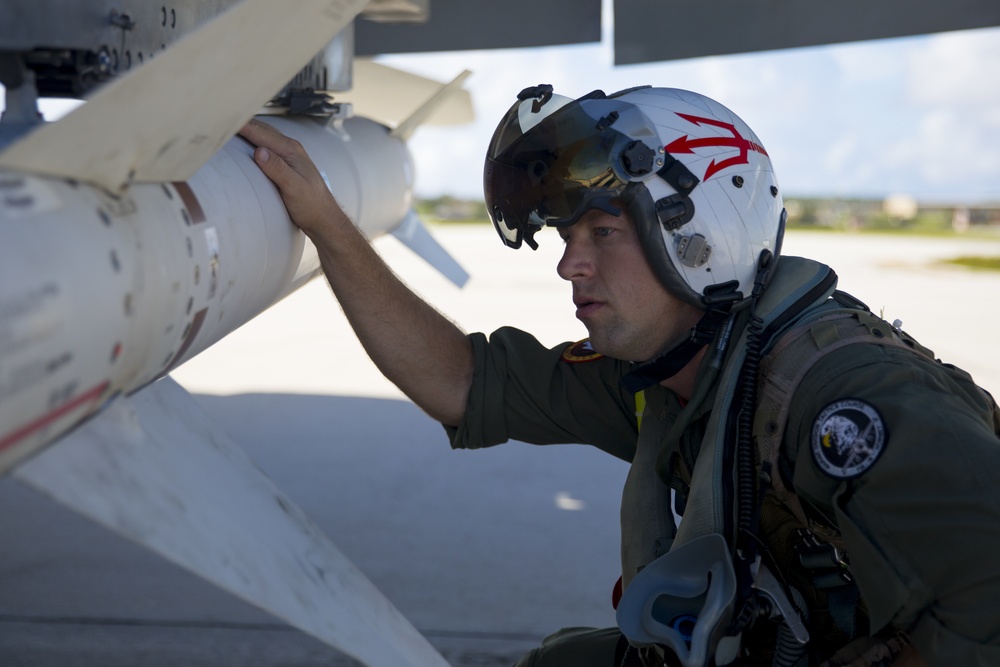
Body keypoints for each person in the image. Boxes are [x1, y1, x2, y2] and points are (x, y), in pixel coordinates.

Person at [238, 85, 1000, 667]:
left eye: (603, 233)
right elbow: (464, 382)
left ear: (703, 239)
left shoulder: (846, 398)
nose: (570, 262)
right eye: (570, 236)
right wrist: (326, 223)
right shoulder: (670, 372)